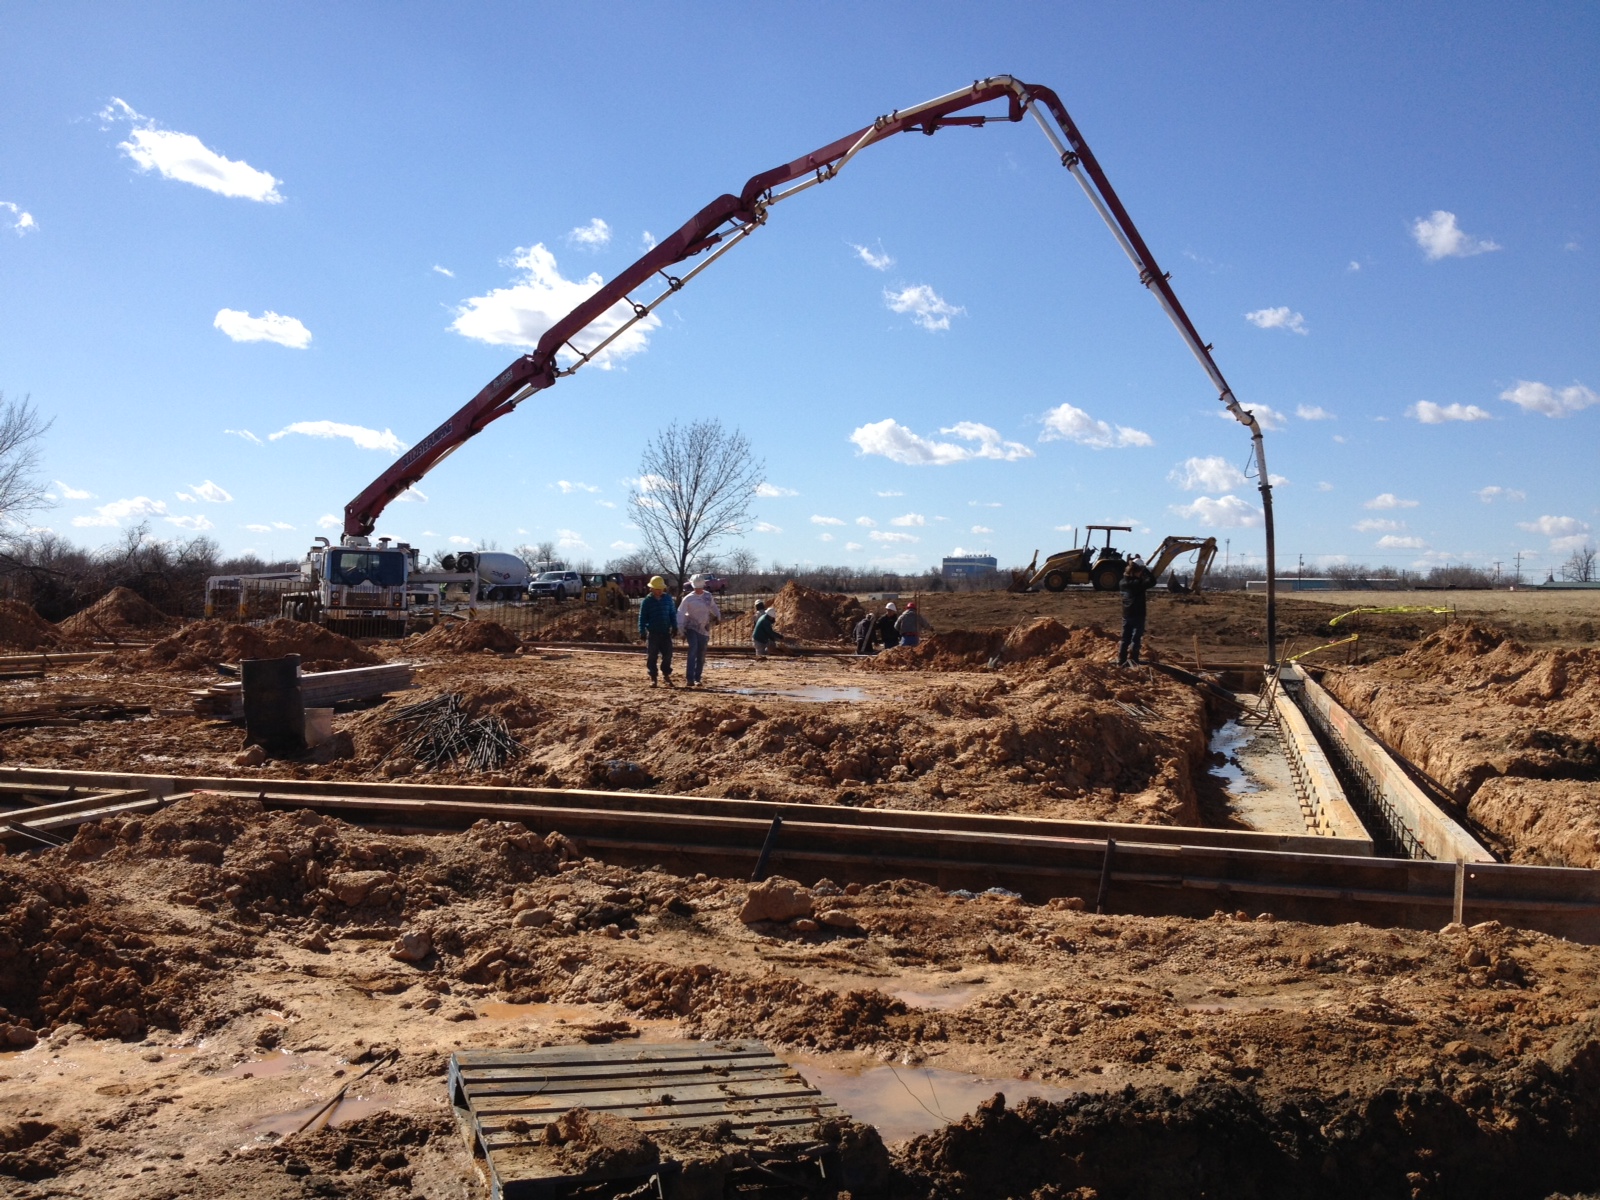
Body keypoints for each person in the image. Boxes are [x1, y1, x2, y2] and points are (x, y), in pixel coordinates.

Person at [678, 573, 721, 688]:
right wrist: (681, 629)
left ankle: (697, 678)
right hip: (691, 627)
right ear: (693, 587)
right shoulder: (688, 599)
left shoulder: (708, 596)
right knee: (693, 649)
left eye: (700, 587)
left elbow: (713, 607)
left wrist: (718, 616)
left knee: (701, 653)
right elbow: (681, 613)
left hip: (704, 628)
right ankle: (690, 678)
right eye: (697, 588)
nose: (699, 590)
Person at [637, 575, 678, 686]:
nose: (659, 591)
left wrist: (675, 626)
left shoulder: (668, 599)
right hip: (653, 632)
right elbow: (642, 616)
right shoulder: (647, 601)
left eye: (660, 589)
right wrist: (642, 631)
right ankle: (653, 677)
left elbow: (672, 614)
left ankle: (666, 674)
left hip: (665, 632)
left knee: (668, 654)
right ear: (651, 589)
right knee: (652, 655)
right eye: (656, 589)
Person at [1118, 555, 1156, 667]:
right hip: (1138, 615)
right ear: (1137, 571)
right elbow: (1152, 581)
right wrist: (1146, 570)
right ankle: (1134, 660)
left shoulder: (1122, 583)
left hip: (1126, 614)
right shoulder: (1137, 584)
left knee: (1125, 639)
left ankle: (1121, 661)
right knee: (1135, 639)